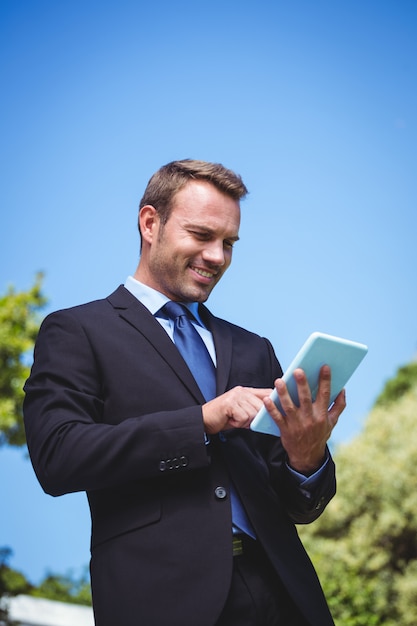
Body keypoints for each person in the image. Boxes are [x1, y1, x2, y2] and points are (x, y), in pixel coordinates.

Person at [24, 159, 346, 626]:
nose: (217, 256)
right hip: (161, 599)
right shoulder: (77, 331)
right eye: (201, 236)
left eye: (229, 243)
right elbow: (58, 457)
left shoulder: (254, 348)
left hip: (281, 595)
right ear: (150, 223)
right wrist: (202, 420)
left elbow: (299, 506)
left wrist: (306, 457)